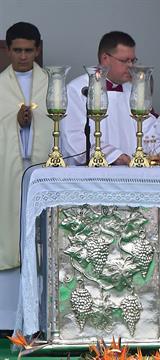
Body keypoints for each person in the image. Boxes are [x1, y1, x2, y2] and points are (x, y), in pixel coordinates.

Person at [0, 21, 52, 329]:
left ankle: (42, 318)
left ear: (38, 49)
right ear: (7, 50)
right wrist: (14, 122)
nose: (22, 56)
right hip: (8, 172)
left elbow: (64, 124)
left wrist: (35, 122)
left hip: (43, 167)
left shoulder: (51, 84)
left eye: (28, 50)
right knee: (9, 232)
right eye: (17, 50)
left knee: (41, 235)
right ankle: (6, 318)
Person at [61, 31, 160, 166]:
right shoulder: (77, 89)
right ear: (105, 58)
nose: (131, 66)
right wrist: (113, 156)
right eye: (125, 61)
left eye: (133, 60)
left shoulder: (134, 89)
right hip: (91, 173)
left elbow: (148, 127)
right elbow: (74, 136)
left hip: (132, 173)